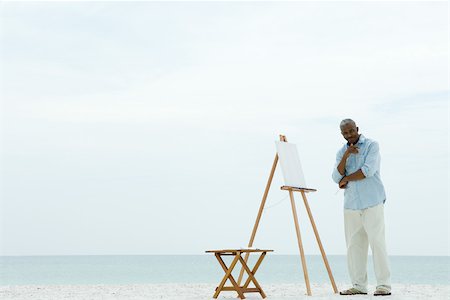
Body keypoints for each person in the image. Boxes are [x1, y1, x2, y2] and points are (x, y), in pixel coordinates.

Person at [332, 119, 391, 296]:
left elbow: (368, 171)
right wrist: (346, 156)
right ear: (342, 134)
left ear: (357, 129)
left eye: (351, 131)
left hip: (372, 201)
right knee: (354, 246)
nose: (349, 135)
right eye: (345, 133)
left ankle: (383, 286)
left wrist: (347, 178)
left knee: (377, 243)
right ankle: (358, 285)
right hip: (351, 205)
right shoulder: (341, 151)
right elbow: (336, 176)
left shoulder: (372, 145)